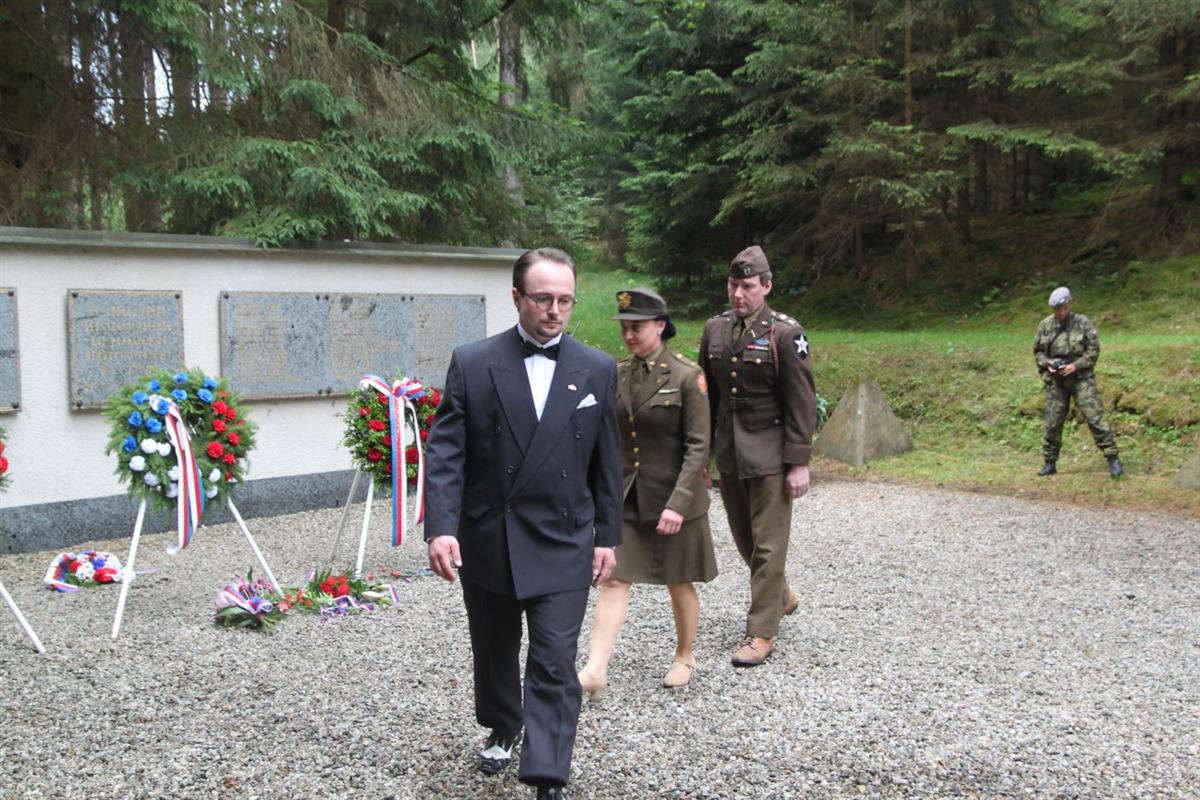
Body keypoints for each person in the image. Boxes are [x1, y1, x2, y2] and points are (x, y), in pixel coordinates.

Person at [423, 247, 623, 800]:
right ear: (517, 298)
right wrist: (442, 527)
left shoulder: (597, 368)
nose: (555, 311)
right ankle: (502, 723)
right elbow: (447, 453)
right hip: (492, 535)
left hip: (564, 536)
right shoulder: (473, 362)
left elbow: (607, 461)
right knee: (494, 647)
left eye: (565, 300)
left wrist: (607, 536)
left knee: (555, 658)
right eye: (543, 299)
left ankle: (547, 773)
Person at [577, 288, 717, 696]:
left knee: (679, 581)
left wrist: (678, 503)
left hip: (675, 499)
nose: (628, 335)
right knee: (614, 578)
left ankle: (685, 655)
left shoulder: (687, 376)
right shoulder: (617, 373)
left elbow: (698, 446)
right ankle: (595, 669)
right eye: (624, 327)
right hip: (628, 496)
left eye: (636, 327)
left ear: (660, 325)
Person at [698, 245, 816, 668]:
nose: (738, 294)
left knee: (768, 546)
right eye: (733, 285)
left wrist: (798, 462)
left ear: (766, 286)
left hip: (771, 456)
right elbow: (706, 399)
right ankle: (780, 596)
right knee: (745, 541)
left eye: (747, 286)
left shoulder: (786, 334)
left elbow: (801, 401)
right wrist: (702, 455)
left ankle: (762, 631)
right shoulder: (715, 329)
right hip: (731, 454)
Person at [1033, 286, 1123, 478]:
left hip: (1081, 379)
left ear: (1070, 304)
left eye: (1063, 308)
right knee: (1052, 422)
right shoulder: (1045, 326)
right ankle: (1049, 462)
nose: (1060, 312)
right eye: (1056, 309)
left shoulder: (1082, 323)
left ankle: (1112, 458)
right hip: (1056, 382)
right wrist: (1048, 364)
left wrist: (1075, 365)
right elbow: (1038, 352)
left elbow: (1093, 350)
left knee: (1094, 417)